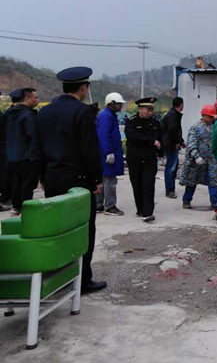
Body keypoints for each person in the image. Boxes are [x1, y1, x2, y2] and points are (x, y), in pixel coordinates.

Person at [30, 67, 107, 294]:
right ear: (83, 88)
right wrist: (96, 179)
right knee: (83, 230)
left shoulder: (44, 112)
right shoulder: (82, 112)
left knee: (58, 229)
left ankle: (59, 277)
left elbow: (37, 149)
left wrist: (42, 176)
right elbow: (89, 150)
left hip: (53, 180)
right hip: (79, 182)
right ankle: (82, 281)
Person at [125, 97, 162, 222]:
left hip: (149, 160)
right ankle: (140, 209)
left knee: (148, 186)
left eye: (152, 110)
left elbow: (160, 139)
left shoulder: (155, 123)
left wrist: (161, 153)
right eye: (148, 109)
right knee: (137, 185)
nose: (151, 112)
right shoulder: (131, 122)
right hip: (134, 159)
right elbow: (133, 136)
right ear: (140, 109)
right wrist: (151, 141)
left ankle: (148, 213)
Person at [4, 88, 40, 215]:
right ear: (28, 98)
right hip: (27, 155)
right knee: (27, 184)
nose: (37, 100)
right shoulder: (28, 115)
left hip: (11, 155)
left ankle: (16, 207)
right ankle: (27, 209)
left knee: (16, 182)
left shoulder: (8, 114)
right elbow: (32, 135)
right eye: (35, 97)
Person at [180, 104, 217, 209]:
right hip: (197, 160)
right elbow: (191, 144)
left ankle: (215, 202)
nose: (211, 118)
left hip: (211, 160)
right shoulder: (195, 128)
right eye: (210, 116)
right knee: (192, 180)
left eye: (212, 117)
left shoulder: (215, 127)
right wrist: (196, 156)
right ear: (203, 115)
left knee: (213, 180)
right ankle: (186, 200)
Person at [96, 92, 126, 216]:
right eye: (118, 104)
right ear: (111, 104)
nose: (120, 106)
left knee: (103, 179)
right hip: (107, 153)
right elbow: (104, 136)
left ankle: (99, 205)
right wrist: (108, 152)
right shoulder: (106, 116)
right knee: (110, 181)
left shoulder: (109, 115)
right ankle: (110, 206)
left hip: (106, 152)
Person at [161, 97, 184, 198]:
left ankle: (171, 188)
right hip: (171, 145)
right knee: (171, 167)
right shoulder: (172, 115)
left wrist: (181, 141)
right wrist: (177, 142)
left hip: (172, 143)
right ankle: (170, 190)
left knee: (173, 167)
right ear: (181, 104)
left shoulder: (173, 114)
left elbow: (176, 131)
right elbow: (173, 130)